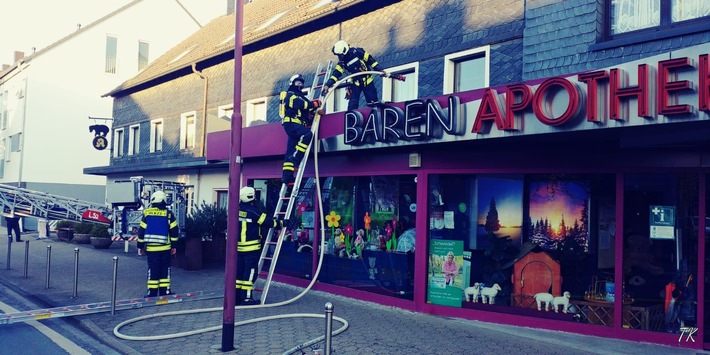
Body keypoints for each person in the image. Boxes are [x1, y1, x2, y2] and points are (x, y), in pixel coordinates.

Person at [236, 186, 292, 305]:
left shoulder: (236, 210)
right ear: (251, 197)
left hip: (238, 249)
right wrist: (283, 223)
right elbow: (270, 223)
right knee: (250, 272)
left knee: (239, 273)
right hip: (251, 249)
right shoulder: (254, 212)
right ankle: (246, 298)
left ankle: (236, 297)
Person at [280, 74, 322, 185]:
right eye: (297, 83)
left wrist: (316, 110)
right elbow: (300, 104)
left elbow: (308, 109)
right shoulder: (290, 95)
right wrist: (313, 103)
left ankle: (287, 177)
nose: (300, 85)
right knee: (307, 135)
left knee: (290, 150)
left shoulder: (301, 96)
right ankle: (296, 157)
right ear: (292, 83)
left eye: (301, 83)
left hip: (297, 125)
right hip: (291, 123)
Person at [137, 190, 179, 297]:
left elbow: (141, 231)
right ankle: (165, 292)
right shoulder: (169, 214)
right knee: (165, 270)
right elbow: (174, 231)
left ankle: (152, 293)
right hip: (166, 249)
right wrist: (174, 246)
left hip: (151, 250)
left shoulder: (147, 213)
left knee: (153, 270)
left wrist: (140, 246)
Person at [322, 39, 384, 110]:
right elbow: (336, 74)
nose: (340, 57)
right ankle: (352, 118)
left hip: (367, 81)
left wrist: (380, 70)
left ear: (344, 51)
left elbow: (371, 61)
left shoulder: (358, 52)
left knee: (373, 103)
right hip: (355, 83)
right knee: (352, 105)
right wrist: (327, 85)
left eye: (340, 55)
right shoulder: (342, 62)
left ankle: (375, 116)